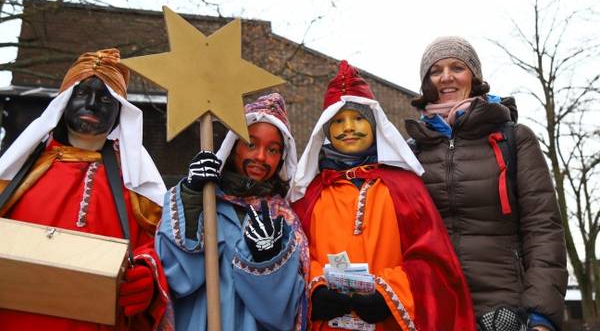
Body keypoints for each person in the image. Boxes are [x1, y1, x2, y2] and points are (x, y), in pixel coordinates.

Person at [291, 61, 476, 331]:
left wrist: (389, 293)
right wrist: (315, 287)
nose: (348, 127)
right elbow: (295, 256)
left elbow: (432, 261)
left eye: (358, 119)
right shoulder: (308, 194)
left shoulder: (406, 187)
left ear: (374, 124)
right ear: (326, 130)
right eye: (338, 121)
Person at [405, 36, 568, 331]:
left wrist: (542, 316)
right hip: (434, 309)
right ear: (426, 82)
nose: (446, 77)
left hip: (504, 310)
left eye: (457, 67)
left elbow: (543, 229)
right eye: (436, 70)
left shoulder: (514, 139)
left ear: (475, 77)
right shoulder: (411, 150)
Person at [0, 49, 170, 330]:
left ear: (120, 112)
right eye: (81, 94)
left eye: (105, 100)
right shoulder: (16, 173)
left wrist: (147, 274)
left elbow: (160, 245)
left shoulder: (136, 183)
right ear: (64, 101)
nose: (92, 105)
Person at [156, 93, 308, 331]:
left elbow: (283, 315)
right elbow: (178, 278)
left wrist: (268, 261)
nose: (260, 157)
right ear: (234, 145)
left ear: (282, 158)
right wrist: (192, 199)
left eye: (272, 149)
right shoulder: (202, 200)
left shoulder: (284, 220)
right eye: (251, 144)